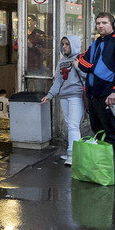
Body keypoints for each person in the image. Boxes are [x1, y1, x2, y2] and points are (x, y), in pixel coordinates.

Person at [77, 11, 115, 182]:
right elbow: (81, 61)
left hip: (111, 95)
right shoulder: (95, 43)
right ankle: (105, 164)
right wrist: (94, 66)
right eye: (98, 23)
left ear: (112, 24)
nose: (100, 26)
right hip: (94, 95)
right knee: (98, 131)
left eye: (104, 23)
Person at [42, 35, 85, 165]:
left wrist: (78, 67)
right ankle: (72, 152)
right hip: (64, 96)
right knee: (69, 125)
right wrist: (50, 95)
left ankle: (72, 155)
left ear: (74, 45)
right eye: (63, 44)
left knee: (73, 125)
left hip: (76, 96)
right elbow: (58, 81)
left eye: (67, 44)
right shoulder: (61, 62)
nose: (64, 47)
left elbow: (89, 75)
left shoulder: (81, 59)